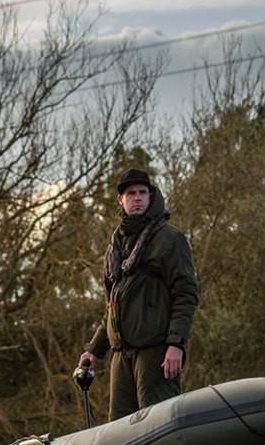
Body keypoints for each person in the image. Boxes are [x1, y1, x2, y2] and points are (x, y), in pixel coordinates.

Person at [78, 168, 199, 421]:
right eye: (131, 193)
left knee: (157, 425)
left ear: (150, 196)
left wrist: (176, 343)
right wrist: (94, 350)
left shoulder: (169, 238)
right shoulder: (115, 246)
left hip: (155, 353)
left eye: (142, 192)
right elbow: (112, 308)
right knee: (119, 431)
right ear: (120, 200)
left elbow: (185, 294)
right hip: (121, 357)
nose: (137, 198)